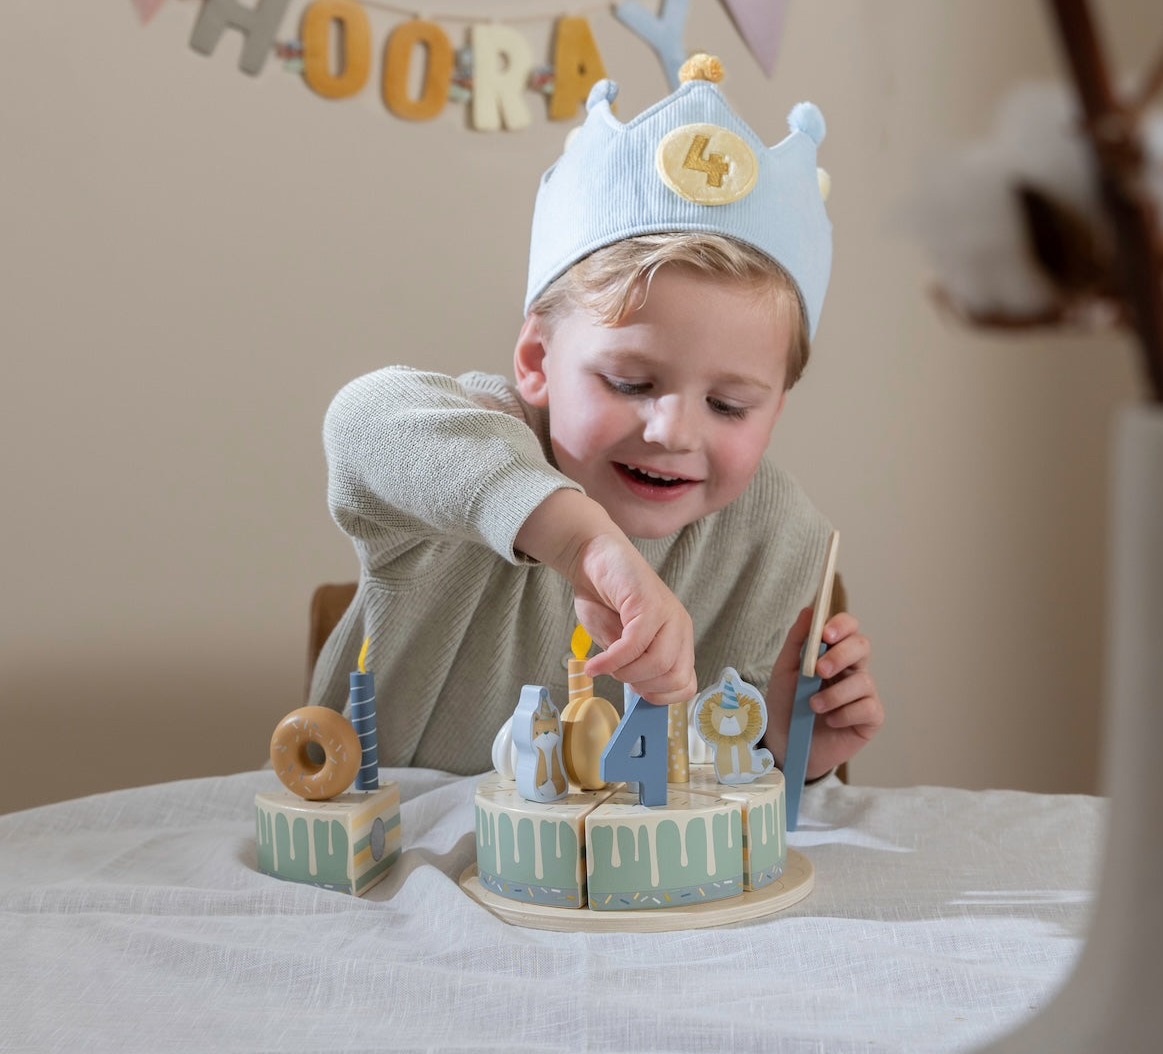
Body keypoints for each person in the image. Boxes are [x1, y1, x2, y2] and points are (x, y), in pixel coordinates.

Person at [308, 54, 883, 783]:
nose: (674, 431)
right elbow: (363, 419)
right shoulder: (479, 442)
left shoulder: (780, 537)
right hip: (391, 875)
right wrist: (583, 546)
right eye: (631, 381)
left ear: (777, 405)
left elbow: (703, 793)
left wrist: (785, 751)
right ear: (537, 361)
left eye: (729, 404)